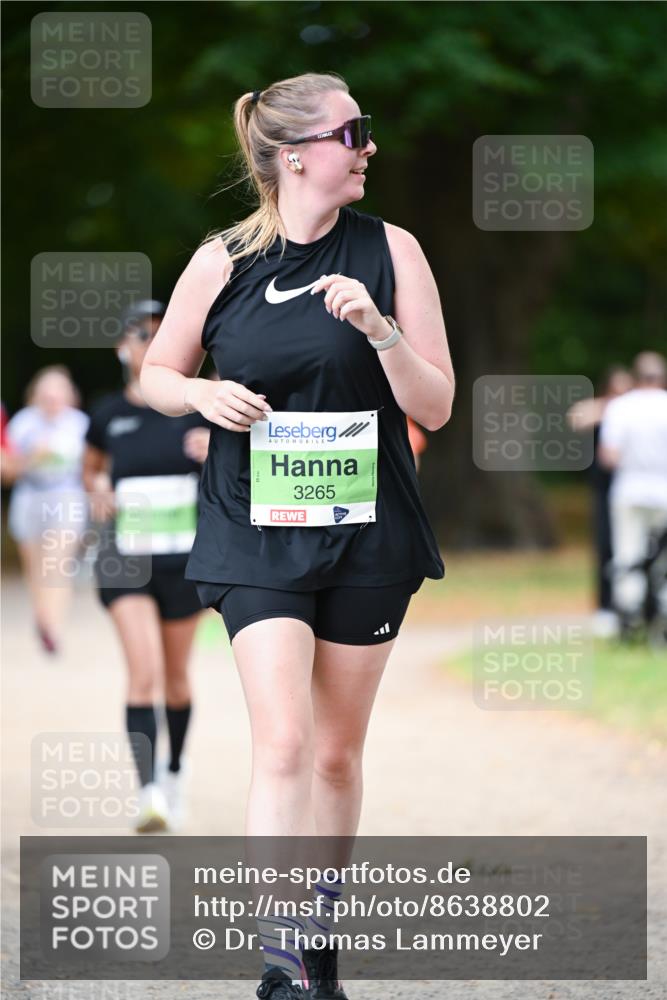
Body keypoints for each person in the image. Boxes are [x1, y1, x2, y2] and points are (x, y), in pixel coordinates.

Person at [140, 73, 454, 999]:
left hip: (367, 531)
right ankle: (279, 966)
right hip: (253, 530)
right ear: (295, 154)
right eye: (352, 130)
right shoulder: (223, 258)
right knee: (281, 741)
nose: (368, 146)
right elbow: (159, 371)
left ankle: (316, 942)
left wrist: (380, 327)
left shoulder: (392, 250)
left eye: (367, 127)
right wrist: (199, 391)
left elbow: (434, 402)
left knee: (332, 754)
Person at [83, 300, 211, 834]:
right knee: (145, 674)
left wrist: (219, 451)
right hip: (124, 560)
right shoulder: (109, 415)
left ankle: (175, 773)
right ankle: (149, 792)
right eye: (141, 333)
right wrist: (97, 489)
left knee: (177, 681)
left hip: (184, 560)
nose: (150, 341)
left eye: (161, 333)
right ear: (122, 347)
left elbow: (243, 479)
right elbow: (90, 470)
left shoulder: (199, 407)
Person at [5, 366, 89, 655]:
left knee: (57, 566)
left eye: (58, 391)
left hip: (66, 499)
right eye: (47, 392)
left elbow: (91, 468)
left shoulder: (80, 425)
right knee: (35, 569)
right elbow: (8, 471)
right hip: (30, 498)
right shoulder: (23, 423)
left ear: (69, 396)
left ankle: (52, 628)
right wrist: (30, 457)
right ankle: (42, 617)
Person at [598, 351, 667, 636]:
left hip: (629, 490)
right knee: (663, 556)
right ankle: (662, 612)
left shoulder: (621, 408)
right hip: (664, 491)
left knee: (628, 551)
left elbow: (609, 455)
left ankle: (629, 612)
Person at [567, 366, 633, 637]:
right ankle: (605, 608)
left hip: (630, 489)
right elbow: (576, 418)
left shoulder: (636, 413)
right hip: (605, 491)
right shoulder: (602, 411)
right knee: (604, 548)